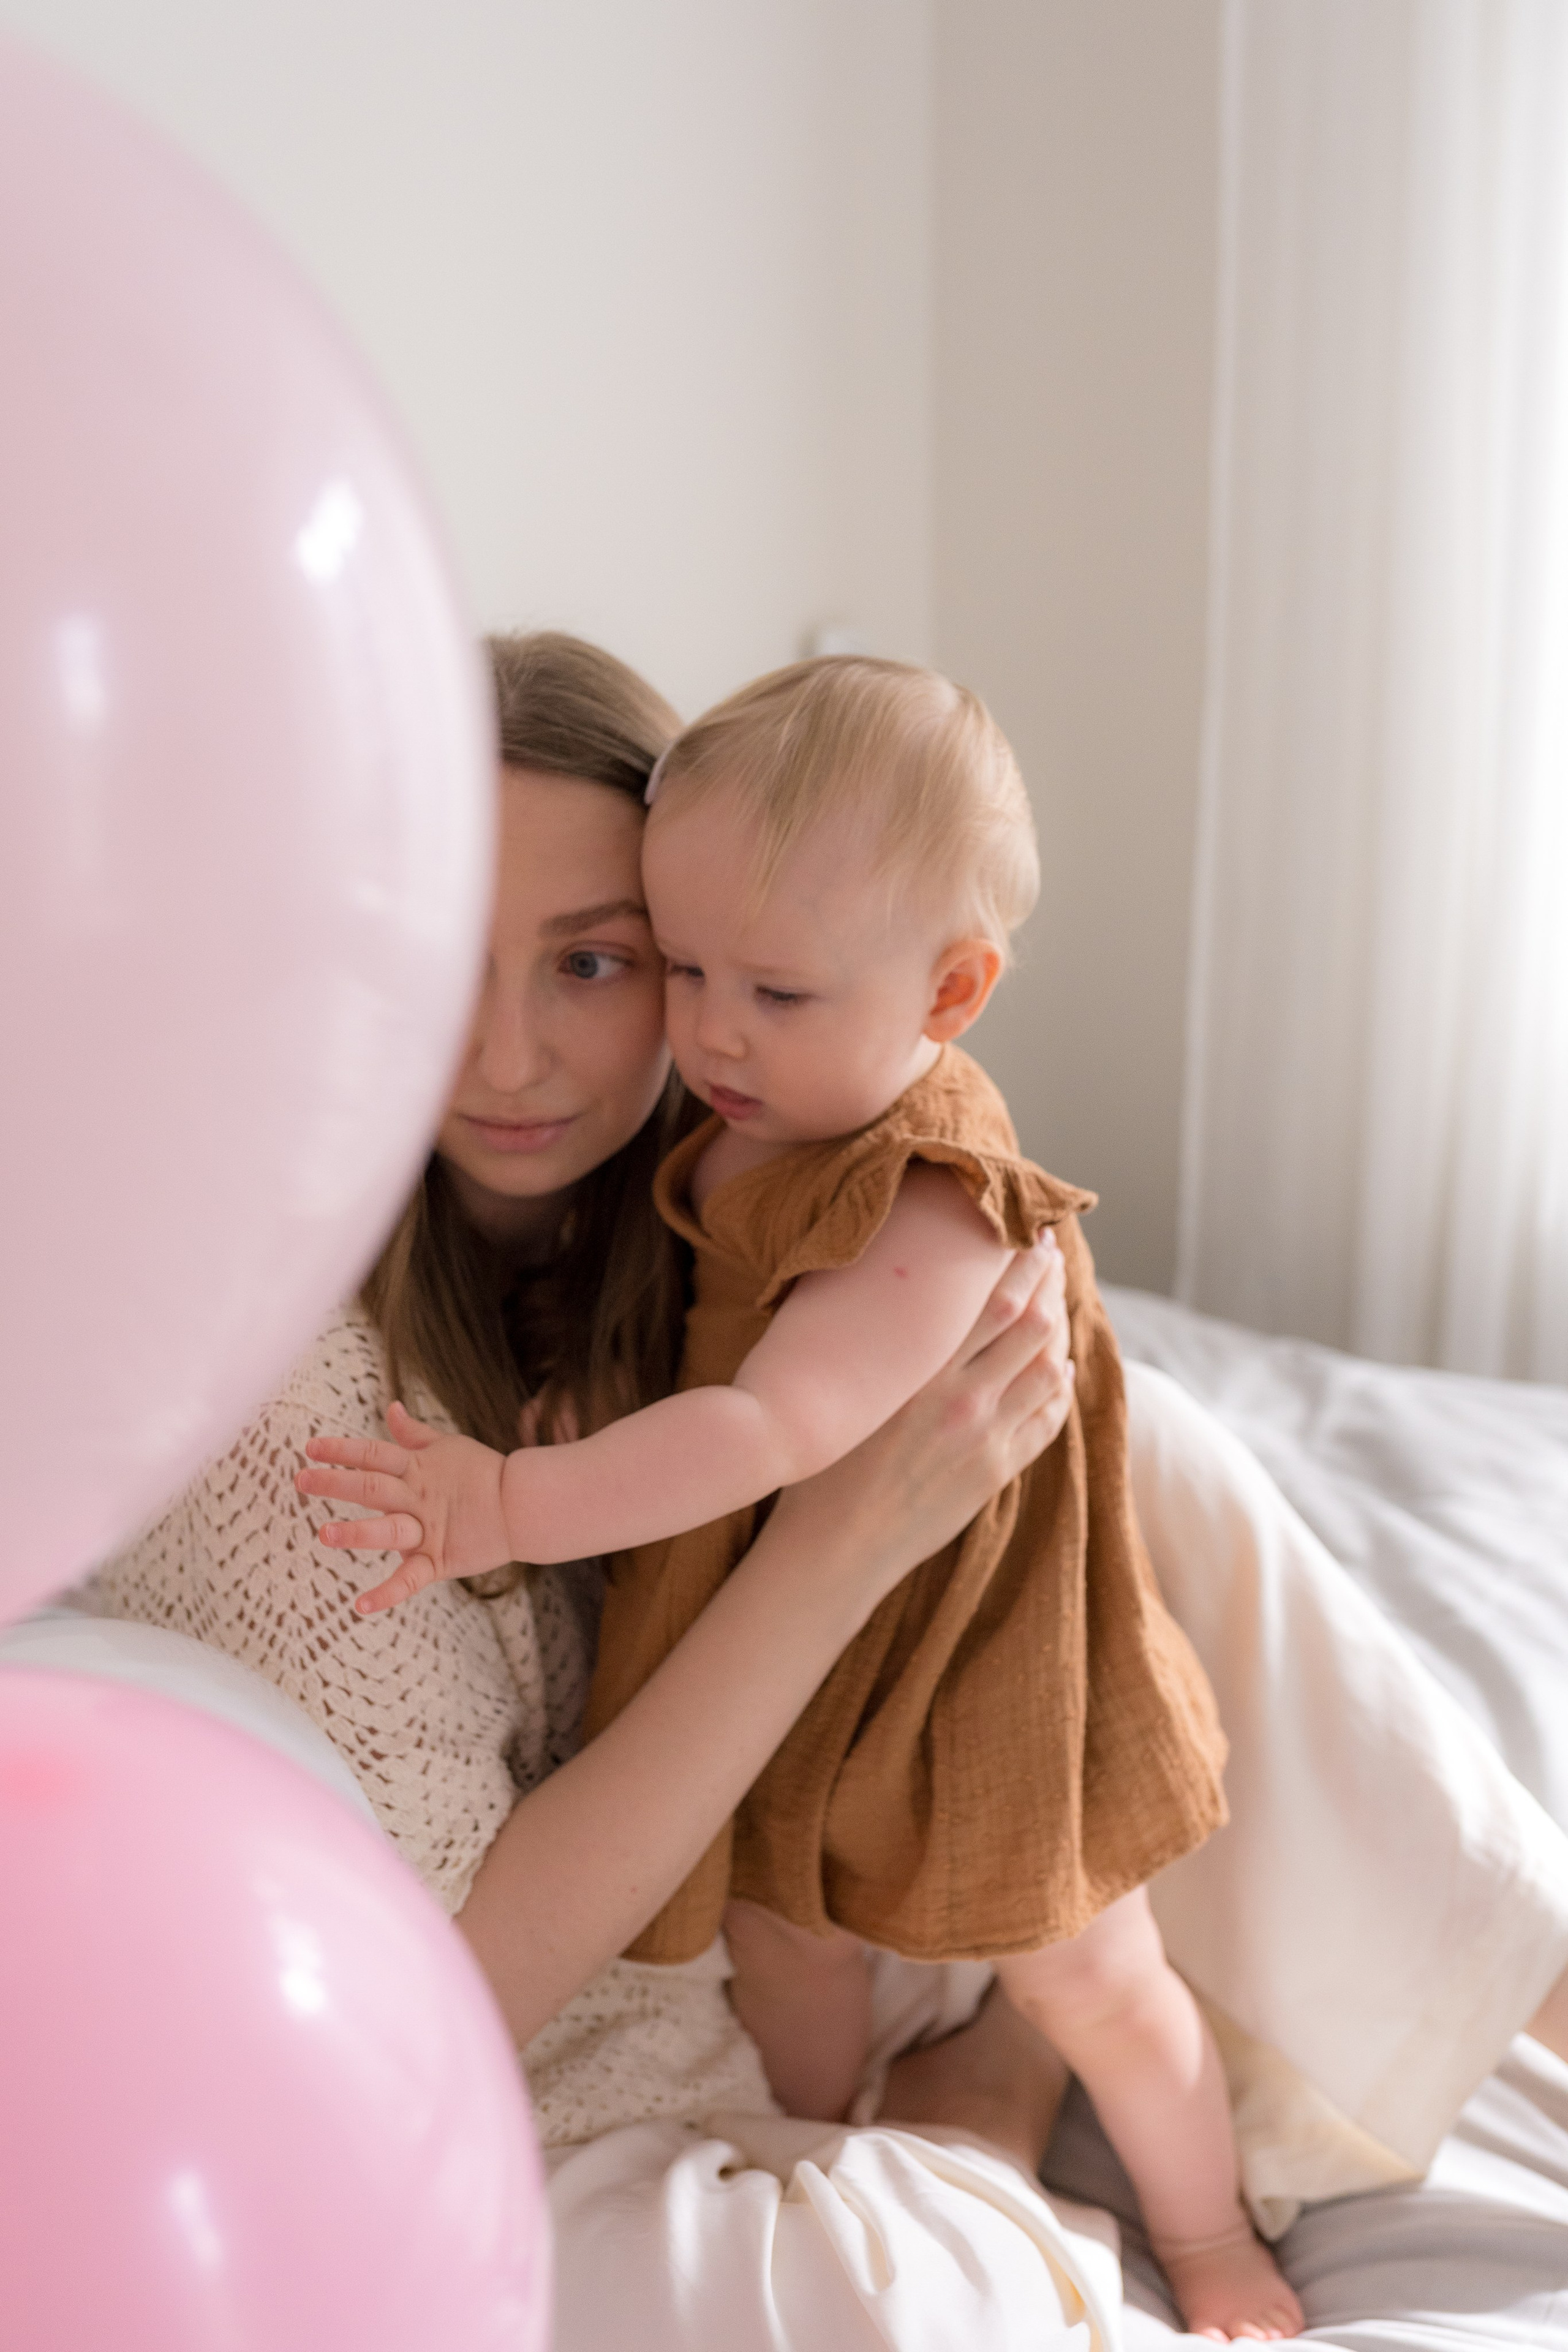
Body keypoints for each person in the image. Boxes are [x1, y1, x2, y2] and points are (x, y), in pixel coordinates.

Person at [90, 632, 1568, 2352]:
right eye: (440, 958)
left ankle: (1504, 1971)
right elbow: (460, 1995)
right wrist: (840, 1541)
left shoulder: (720, 1180)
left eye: (593, 962)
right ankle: (990, 2094)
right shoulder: (291, 1373)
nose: (507, 1056)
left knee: (1131, 1439)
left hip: (819, 1824)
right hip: (593, 1989)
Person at [299, 656, 1292, 2340]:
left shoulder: (922, 1179)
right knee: (788, 1969)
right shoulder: (716, 1135)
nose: (709, 1033)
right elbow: (700, 1364)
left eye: (599, 962)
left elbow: (765, 1425)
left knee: (1097, 1960)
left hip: (961, 1675)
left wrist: (510, 1502)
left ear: (951, 992)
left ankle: (1209, 2230)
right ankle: (858, 2137)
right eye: (684, 970)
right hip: (785, 1715)